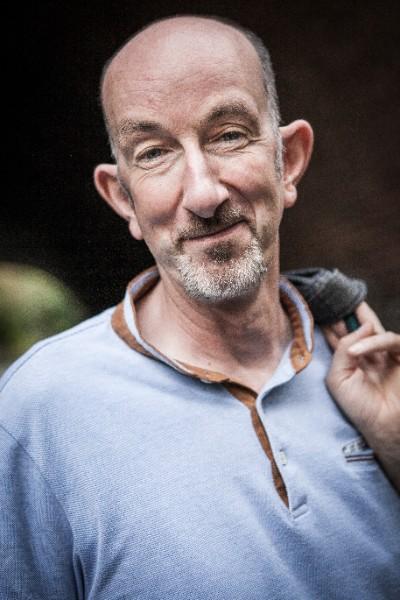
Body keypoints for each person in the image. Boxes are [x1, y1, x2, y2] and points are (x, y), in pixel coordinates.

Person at [1, 15, 399, 600]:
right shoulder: (37, 413)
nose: (204, 193)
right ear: (123, 197)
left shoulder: (366, 373)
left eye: (229, 135)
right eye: (155, 152)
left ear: (287, 160)